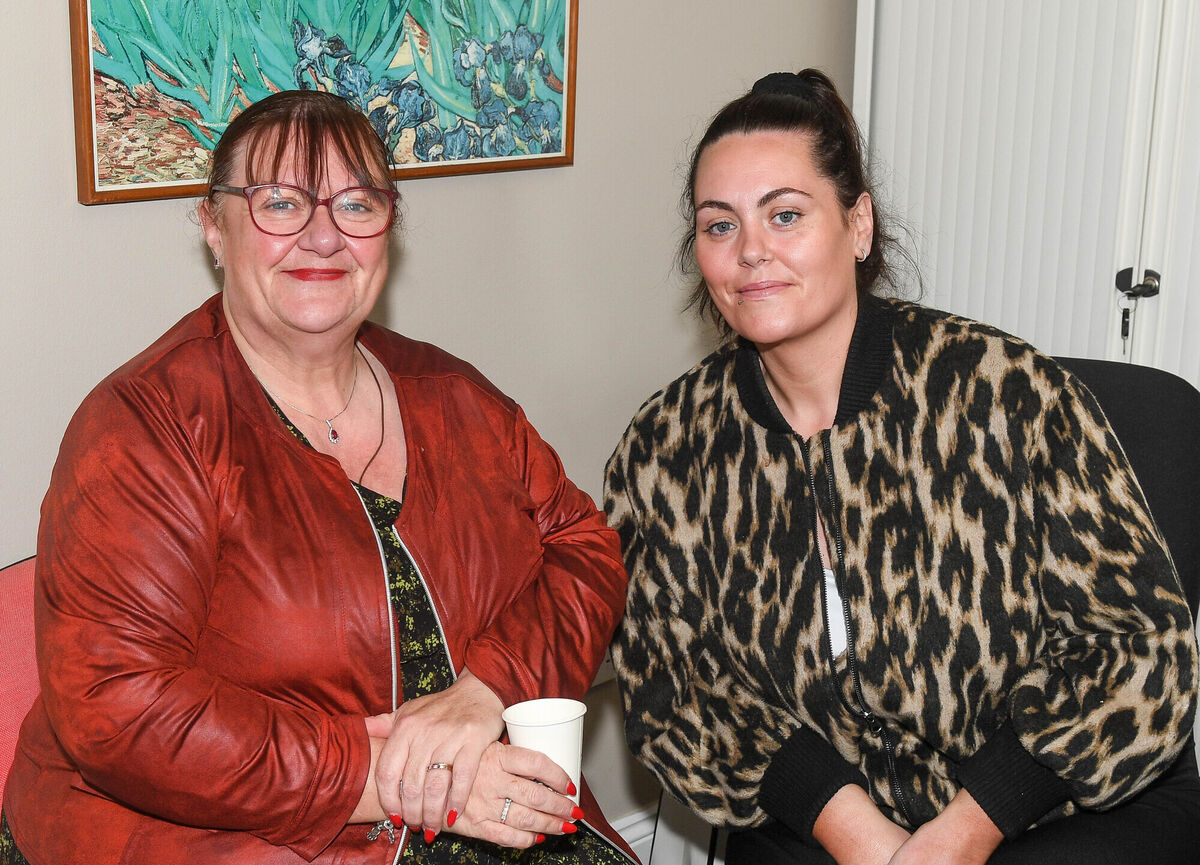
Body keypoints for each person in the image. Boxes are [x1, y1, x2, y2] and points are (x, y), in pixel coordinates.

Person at [1, 90, 634, 865]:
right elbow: (120, 706)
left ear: (388, 228)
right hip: (222, 835)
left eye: (356, 205)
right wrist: (387, 775)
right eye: (280, 202)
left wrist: (484, 691)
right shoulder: (144, 426)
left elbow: (585, 548)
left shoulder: (457, 397)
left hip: (473, 794)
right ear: (212, 224)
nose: (324, 236)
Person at [605, 68, 1200, 865]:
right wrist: (863, 836)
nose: (751, 251)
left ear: (858, 226)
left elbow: (1137, 647)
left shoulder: (1007, 395)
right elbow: (670, 679)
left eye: (785, 215)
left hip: (1061, 800)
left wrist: (964, 830)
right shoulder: (666, 447)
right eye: (720, 226)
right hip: (828, 818)